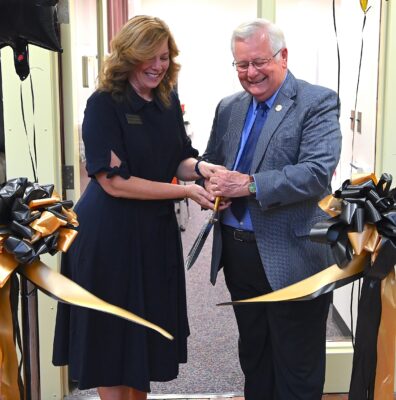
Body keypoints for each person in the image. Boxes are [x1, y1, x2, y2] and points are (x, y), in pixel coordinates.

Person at [52, 15, 221, 400]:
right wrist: (183, 192)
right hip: (107, 235)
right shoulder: (103, 104)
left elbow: (179, 157)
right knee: (112, 338)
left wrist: (201, 169)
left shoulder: (166, 98)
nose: (158, 66)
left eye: (164, 57)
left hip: (153, 234)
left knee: (142, 334)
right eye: (150, 57)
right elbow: (114, 183)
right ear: (128, 56)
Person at [202, 19, 342, 400]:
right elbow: (212, 159)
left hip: (293, 255)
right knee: (255, 355)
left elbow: (315, 172)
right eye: (241, 65)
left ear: (283, 56)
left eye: (259, 62)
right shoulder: (229, 107)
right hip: (237, 251)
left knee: (297, 364)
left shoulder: (317, 101)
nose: (250, 73)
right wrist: (210, 180)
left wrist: (247, 185)